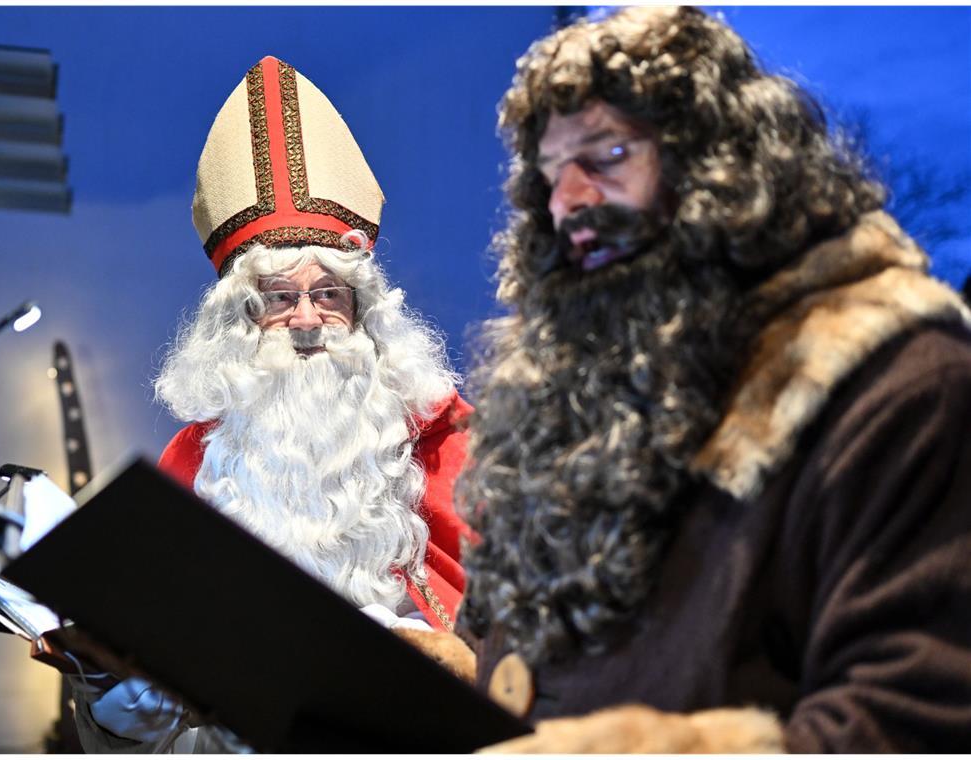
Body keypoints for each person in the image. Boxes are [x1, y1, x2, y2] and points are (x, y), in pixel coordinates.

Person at [457, 6, 971, 752]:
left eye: (605, 158)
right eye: (550, 174)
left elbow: (914, 721)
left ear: (717, 164)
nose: (567, 202)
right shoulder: (570, 405)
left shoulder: (901, 387)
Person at [68, 56, 473, 752]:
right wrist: (110, 709)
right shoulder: (193, 462)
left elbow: (535, 649)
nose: (309, 320)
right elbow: (138, 664)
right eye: (280, 299)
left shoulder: (447, 444)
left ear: (364, 312)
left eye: (329, 295)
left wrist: (431, 658)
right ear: (241, 320)